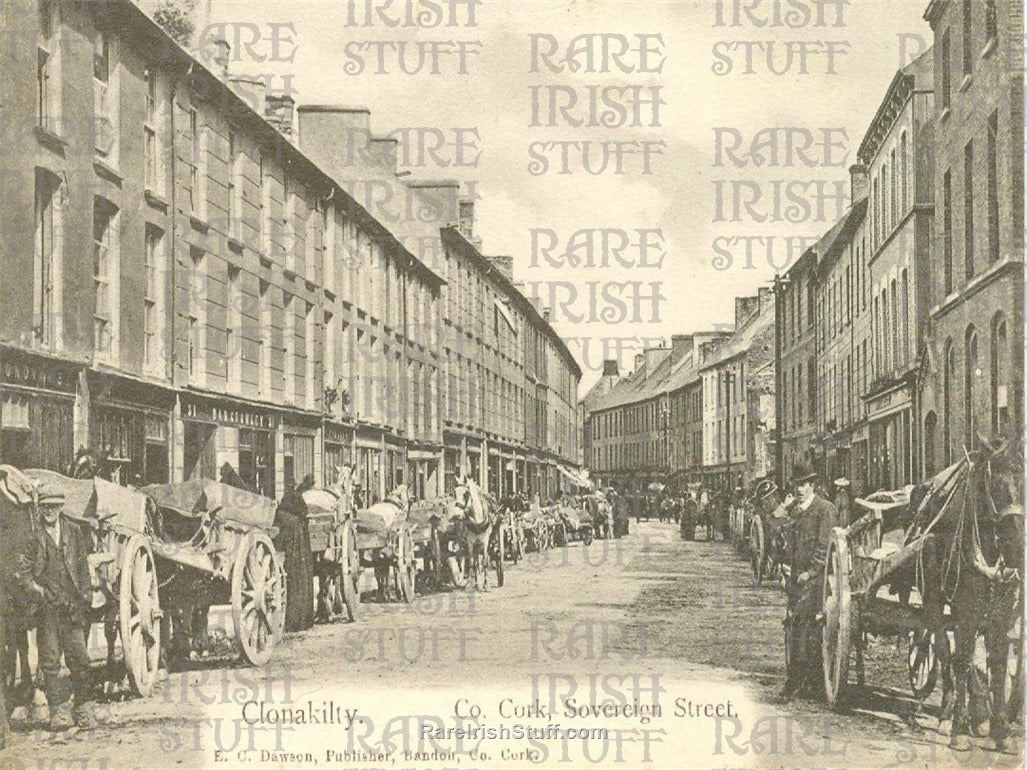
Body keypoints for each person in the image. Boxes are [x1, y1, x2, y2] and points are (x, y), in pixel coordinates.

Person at [13, 484, 95, 731]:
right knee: (49, 663)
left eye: (54, 506)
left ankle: (82, 709)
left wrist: (86, 597)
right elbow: (24, 574)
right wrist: (39, 592)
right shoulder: (33, 536)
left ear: (61, 507)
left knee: (80, 661)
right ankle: (58, 712)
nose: (49, 511)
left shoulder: (74, 532)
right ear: (40, 509)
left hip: (71, 608)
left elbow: (82, 568)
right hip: (48, 610)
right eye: (45, 507)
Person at [781, 463, 840, 700]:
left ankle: (797, 678)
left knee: (802, 621)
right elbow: (791, 545)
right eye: (796, 484)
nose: (799, 489)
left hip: (819, 579)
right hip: (797, 577)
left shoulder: (825, 510)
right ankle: (805, 676)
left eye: (804, 484)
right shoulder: (795, 511)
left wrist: (812, 572)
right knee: (795, 624)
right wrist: (787, 567)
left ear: (812, 485)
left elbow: (824, 547)